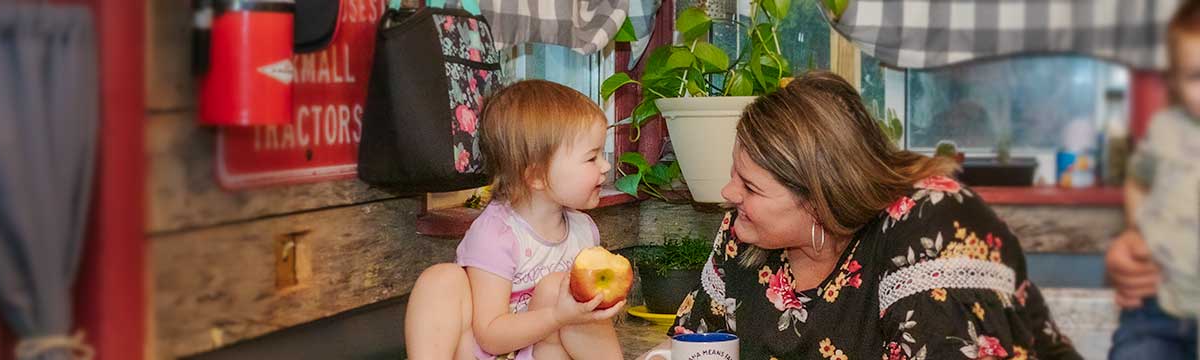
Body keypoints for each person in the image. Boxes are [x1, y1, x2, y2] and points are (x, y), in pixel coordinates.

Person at [666, 72, 1080, 359]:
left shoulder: (932, 225)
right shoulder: (744, 232)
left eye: (751, 186)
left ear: (820, 199)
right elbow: (697, 345)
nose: (728, 193)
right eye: (734, 173)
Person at [404, 80, 626, 360]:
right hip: (493, 352)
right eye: (591, 158)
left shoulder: (584, 230)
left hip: (542, 352)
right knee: (440, 280)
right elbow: (491, 337)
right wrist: (557, 316)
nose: (605, 165)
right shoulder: (496, 234)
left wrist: (594, 306)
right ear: (535, 176)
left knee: (558, 288)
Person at [1105, 1, 1200, 358]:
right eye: (1196, 77)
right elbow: (1138, 180)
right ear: (1174, 81)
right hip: (1154, 307)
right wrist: (1134, 231)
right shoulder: (1165, 129)